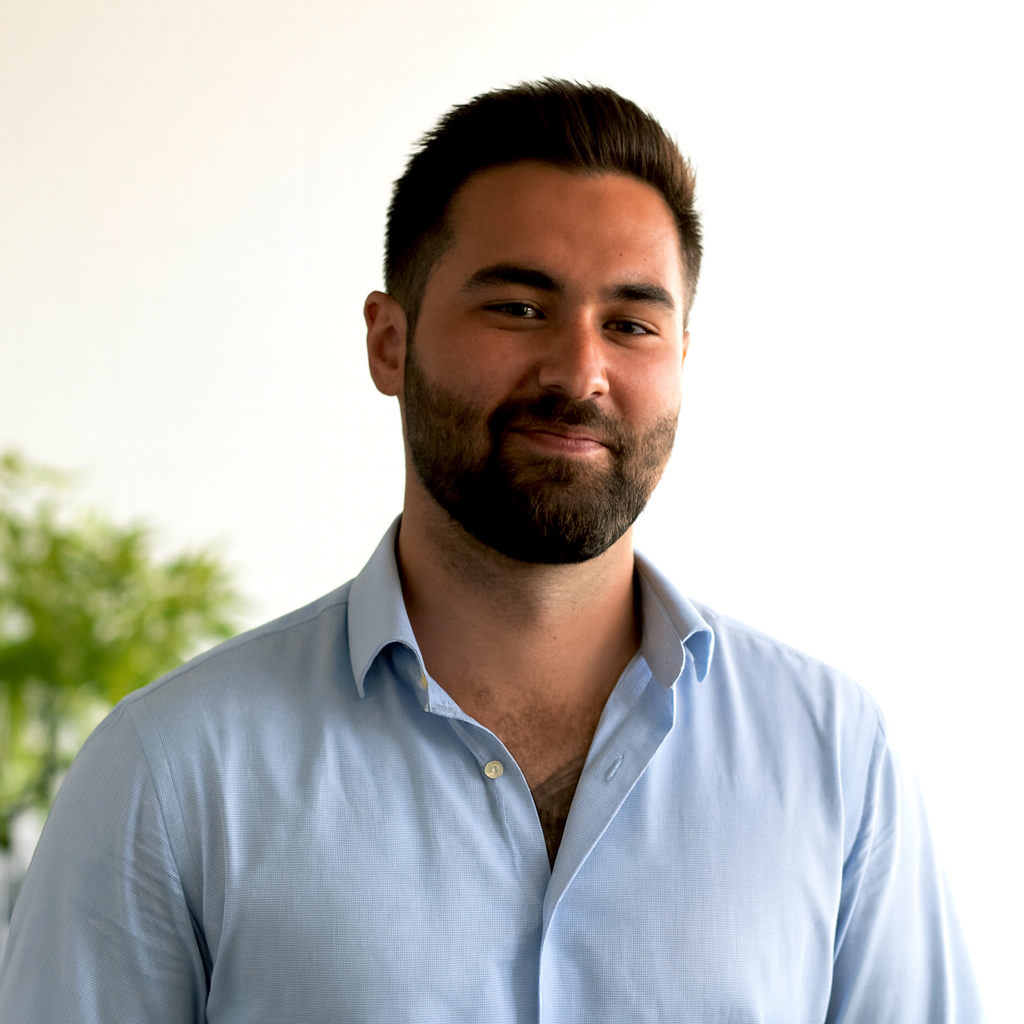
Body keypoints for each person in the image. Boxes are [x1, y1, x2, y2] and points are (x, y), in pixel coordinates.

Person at [0, 80, 982, 1023]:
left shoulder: (835, 760)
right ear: (390, 342)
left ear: (682, 357)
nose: (579, 372)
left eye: (631, 324)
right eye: (518, 307)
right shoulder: (170, 772)